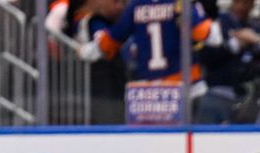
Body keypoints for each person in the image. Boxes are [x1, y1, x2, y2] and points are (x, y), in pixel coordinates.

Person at [78, 0, 222, 95]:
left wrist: (85, 51)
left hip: (150, 94)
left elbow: (108, 42)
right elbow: (213, 37)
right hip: (186, 87)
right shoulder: (180, 3)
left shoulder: (135, 6)